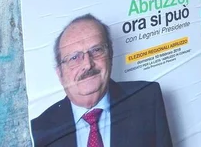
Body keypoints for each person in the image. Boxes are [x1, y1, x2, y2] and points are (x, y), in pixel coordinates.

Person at [31, 14, 173, 147]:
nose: (87, 64)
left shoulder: (147, 99)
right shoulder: (39, 129)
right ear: (60, 74)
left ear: (110, 56)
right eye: (74, 57)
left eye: (96, 50)